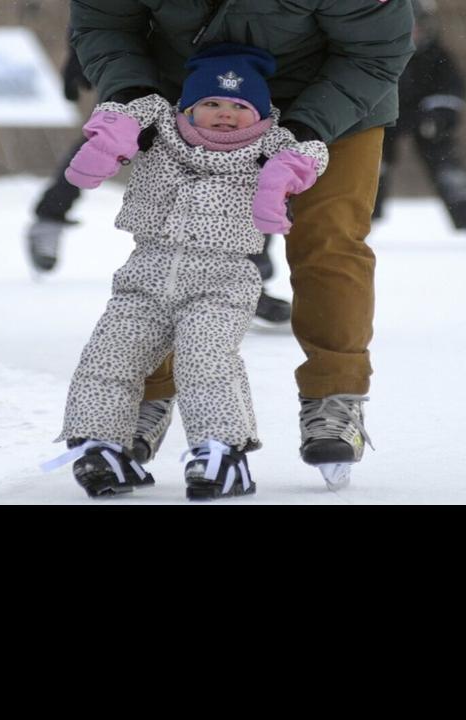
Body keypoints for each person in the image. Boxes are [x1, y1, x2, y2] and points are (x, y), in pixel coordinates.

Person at [70, 0, 414, 487]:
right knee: (173, 241)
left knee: (328, 241)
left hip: (332, 100)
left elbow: (373, 52)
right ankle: (148, 394)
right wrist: (132, 97)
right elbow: (105, 21)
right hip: (191, 96)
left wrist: (304, 135)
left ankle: (334, 397)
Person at [43, 45, 328, 500]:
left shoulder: (270, 147)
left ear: (258, 114)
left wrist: (283, 177)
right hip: (145, 275)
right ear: (188, 108)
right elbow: (128, 109)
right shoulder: (162, 132)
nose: (224, 115)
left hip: (222, 282)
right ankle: (101, 447)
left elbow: (311, 154)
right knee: (108, 357)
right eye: (210, 104)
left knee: (205, 362)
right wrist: (111, 137)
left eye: (239, 106)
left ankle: (221, 453)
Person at [27, 47, 298, 328]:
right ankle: (50, 217)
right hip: (158, 58)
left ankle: (247, 277)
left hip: (242, 64)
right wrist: (79, 50)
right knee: (109, 140)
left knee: (249, 162)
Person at [373, 0, 466, 239]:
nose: (414, 33)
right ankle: (360, 218)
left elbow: (452, 88)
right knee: (372, 164)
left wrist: (439, 114)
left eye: (418, 27)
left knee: (445, 162)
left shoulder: (436, 55)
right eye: (407, 28)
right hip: (383, 117)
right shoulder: (376, 54)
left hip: (426, 116)